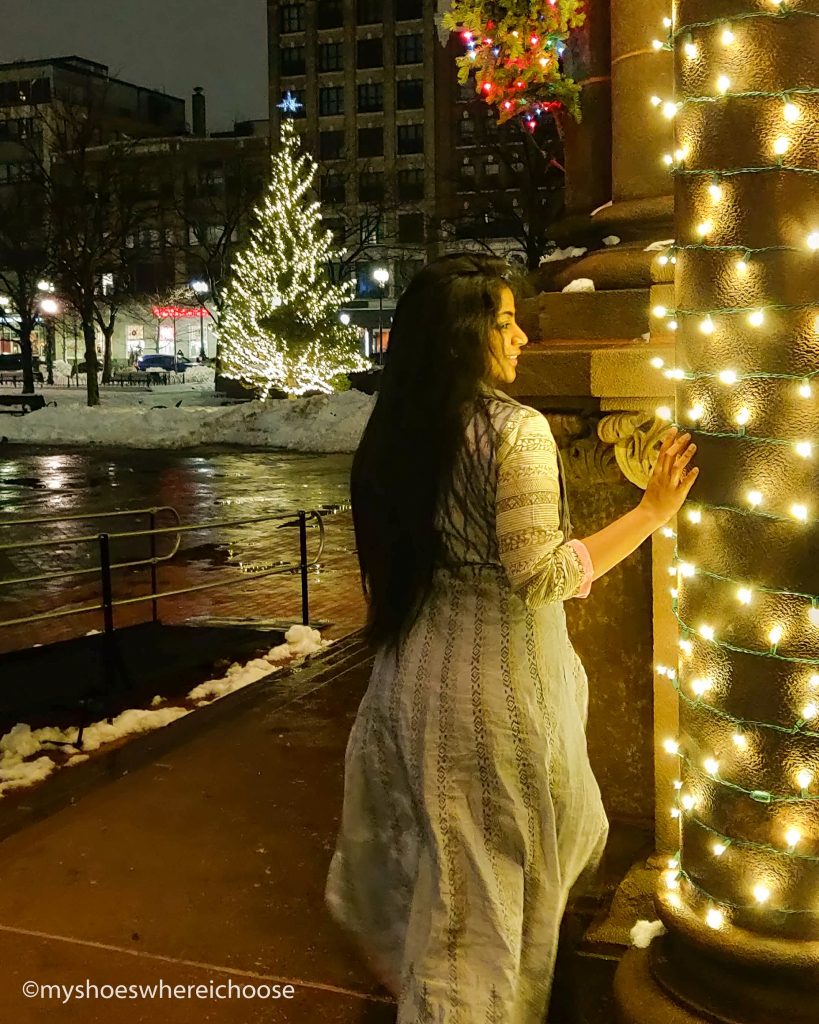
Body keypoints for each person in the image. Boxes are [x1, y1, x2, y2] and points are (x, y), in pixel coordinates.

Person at [325, 254, 698, 1024]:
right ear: (464, 337)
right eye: (504, 322)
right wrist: (651, 512)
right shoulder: (513, 431)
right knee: (488, 914)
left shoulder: (402, 431)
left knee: (448, 891)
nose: (523, 336)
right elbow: (539, 574)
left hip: (413, 676)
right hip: (493, 696)